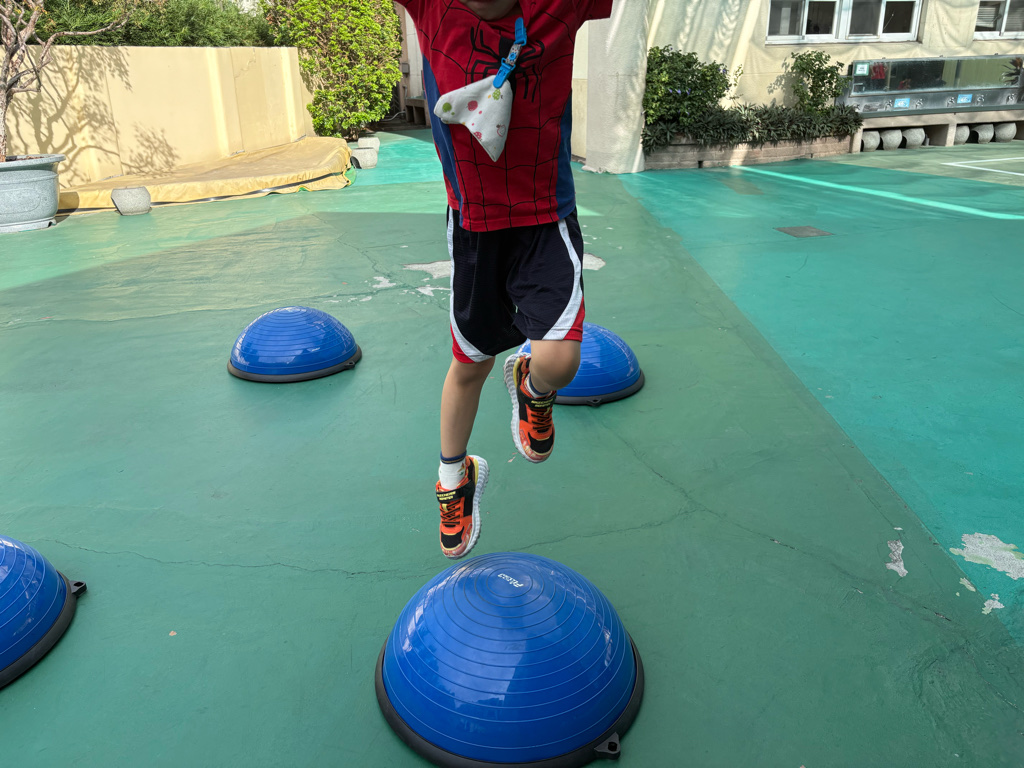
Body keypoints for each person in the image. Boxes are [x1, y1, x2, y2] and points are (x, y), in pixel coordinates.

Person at [393, 0, 613, 558]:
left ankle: (533, 387)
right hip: (474, 226)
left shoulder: (560, 6)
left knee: (559, 361)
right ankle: (454, 478)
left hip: (545, 217)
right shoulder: (432, 8)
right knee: (470, 363)